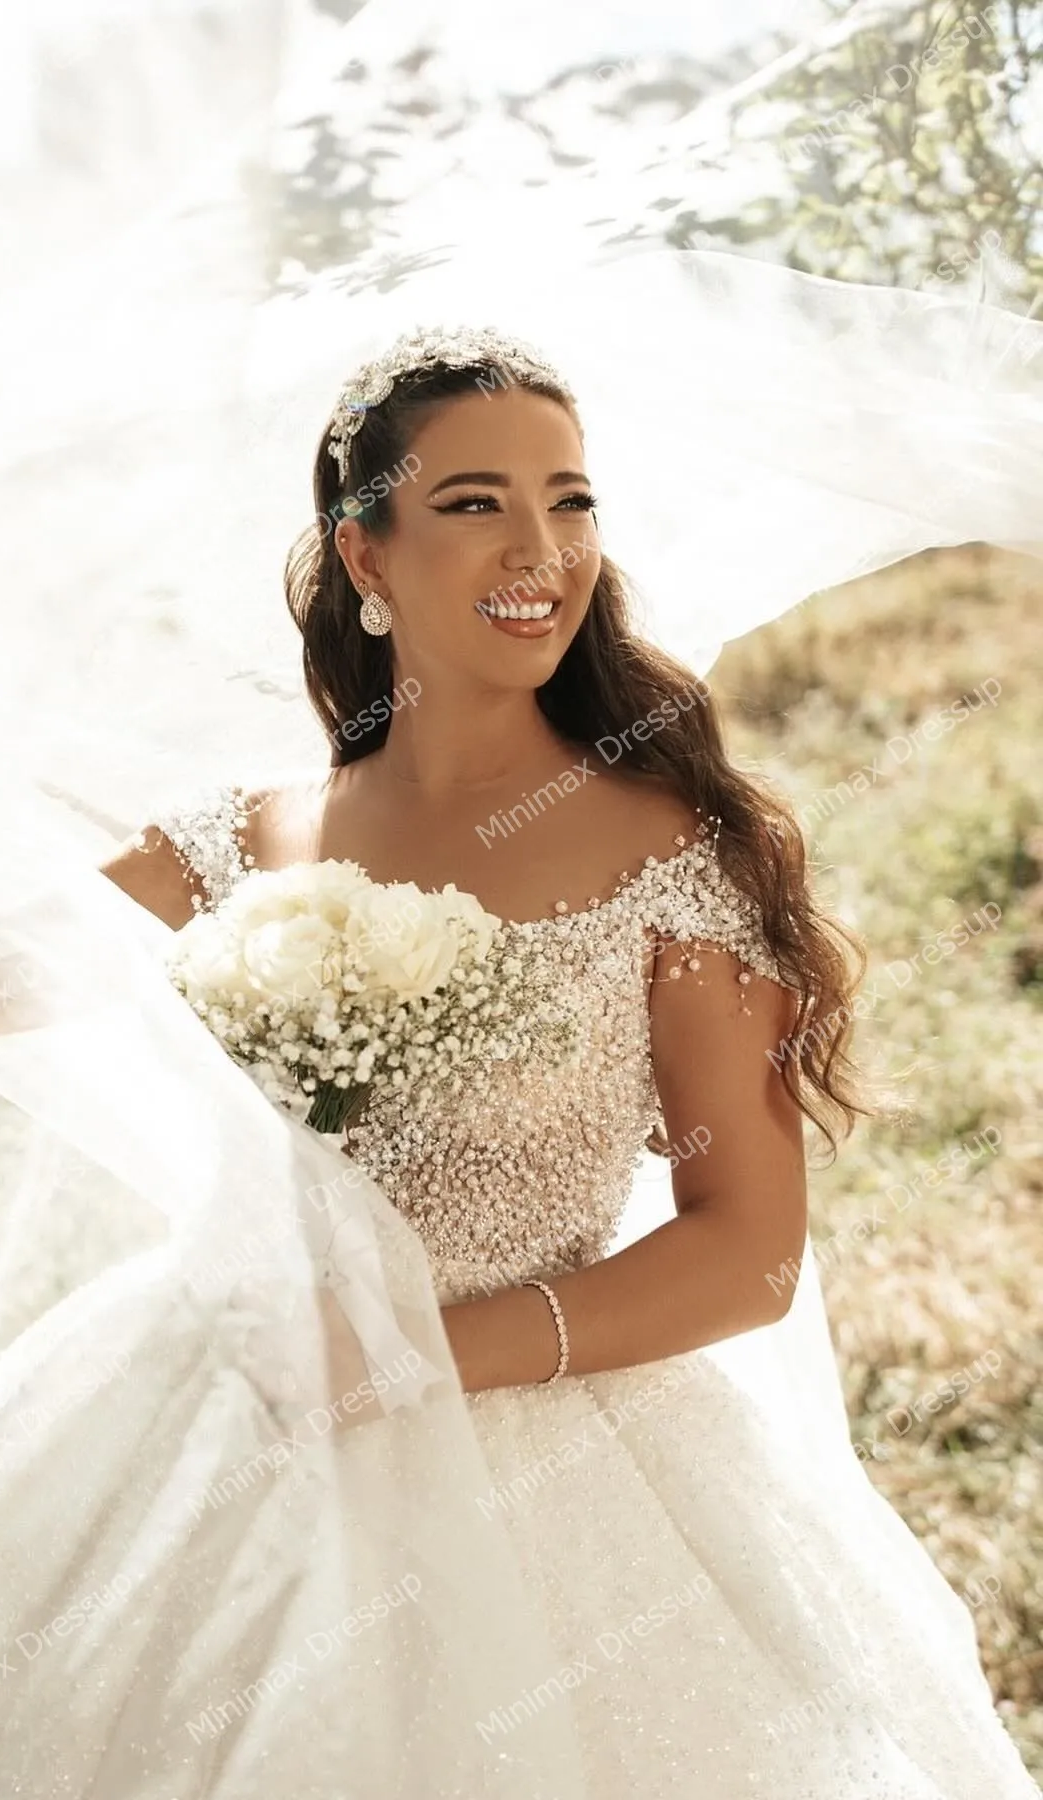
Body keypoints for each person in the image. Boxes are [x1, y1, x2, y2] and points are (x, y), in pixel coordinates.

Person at [99, 325, 1041, 1795]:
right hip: (216, 1420)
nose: (541, 547)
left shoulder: (675, 851)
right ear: (365, 554)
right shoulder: (234, 843)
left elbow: (750, 1254)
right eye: (475, 503)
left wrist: (412, 1365)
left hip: (549, 1455)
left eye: (573, 499)